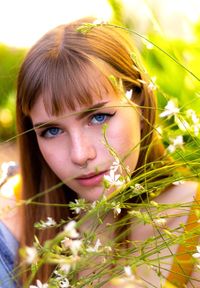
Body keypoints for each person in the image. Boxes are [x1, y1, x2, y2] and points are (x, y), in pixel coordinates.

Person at [0, 17, 199, 287]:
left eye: (98, 117)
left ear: (139, 103)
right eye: (52, 131)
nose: (80, 154)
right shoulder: (18, 220)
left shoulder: (192, 220)